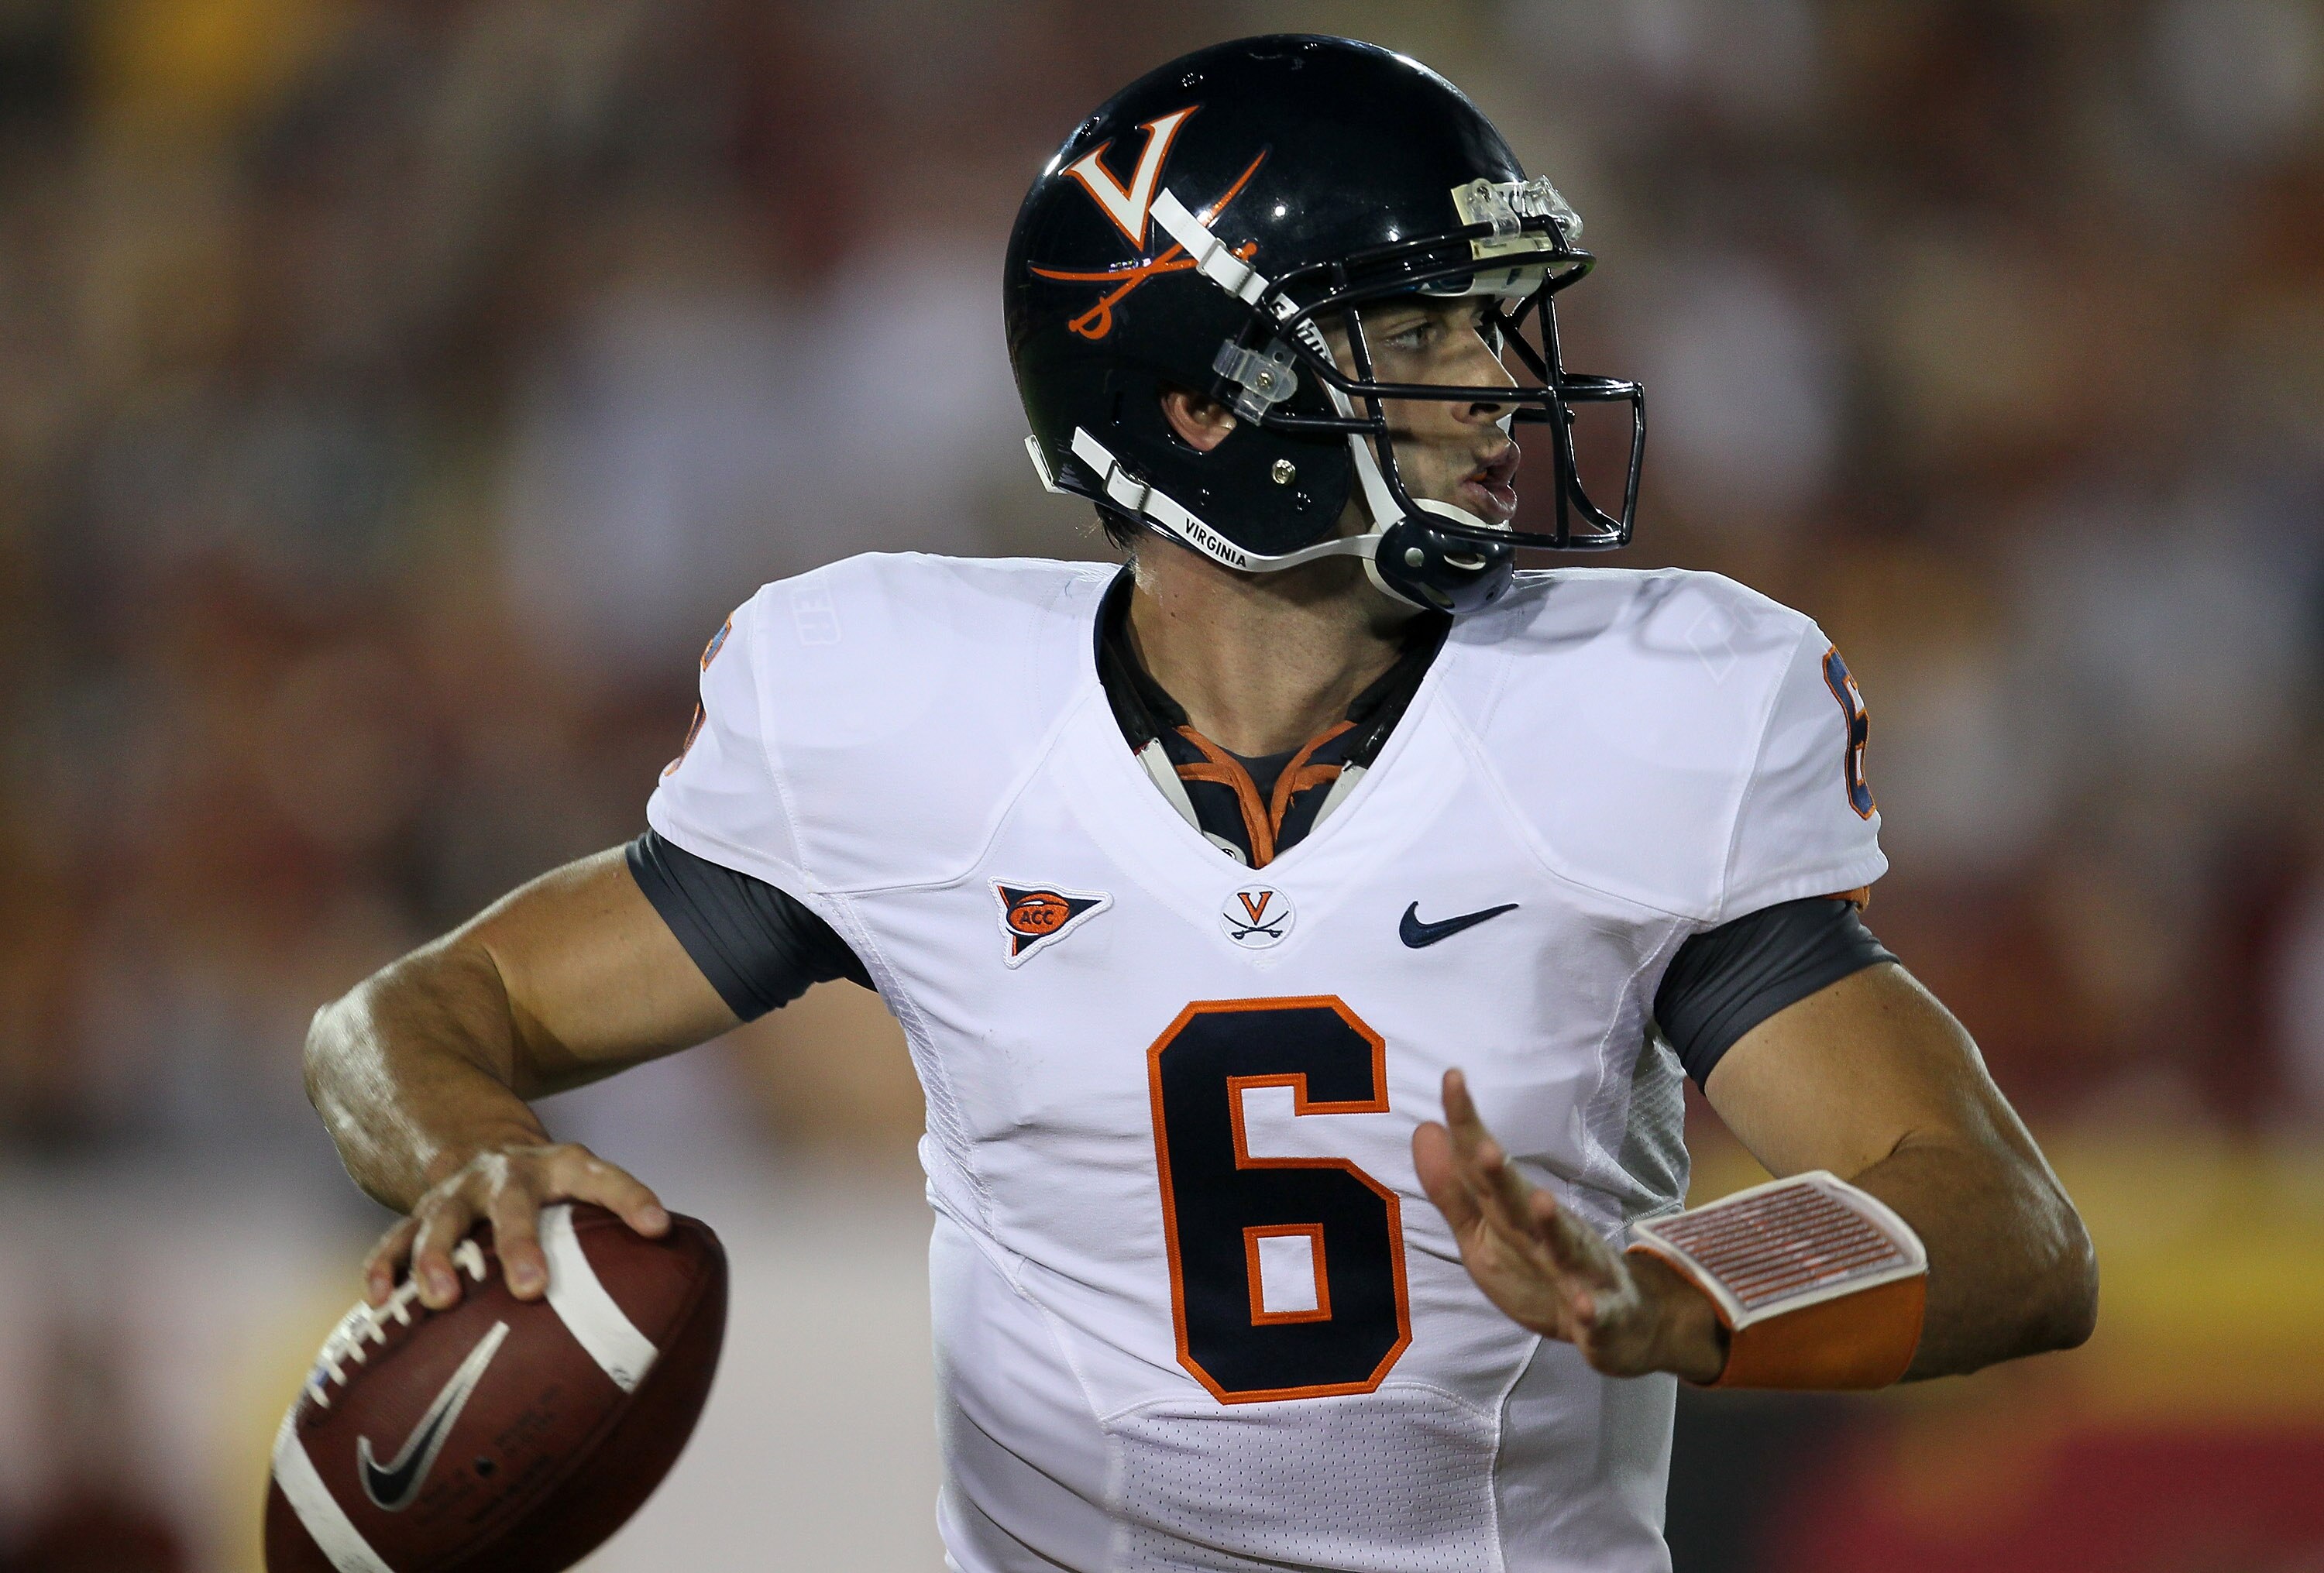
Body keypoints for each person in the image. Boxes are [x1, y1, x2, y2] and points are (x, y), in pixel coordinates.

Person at [304, 35, 2096, 1572]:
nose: (1500, 383)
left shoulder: (1626, 714)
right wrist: (472, 1142)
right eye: (1418, 333)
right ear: (1199, 403)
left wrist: (1680, 1287)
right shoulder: (907, 717)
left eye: (1493, 321)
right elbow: (406, 1017)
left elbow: (2000, 1221)